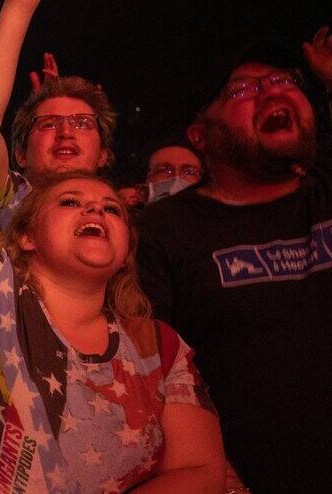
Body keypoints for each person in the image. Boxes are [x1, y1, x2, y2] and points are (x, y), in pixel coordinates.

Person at [0, 0, 226, 491]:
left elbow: (201, 471)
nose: (96, 212)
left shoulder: (157, 347)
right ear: (23, 232)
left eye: (110, 210)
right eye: (70, 204)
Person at [136, 40, 331, 491]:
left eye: (283, 81)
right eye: (242, 91)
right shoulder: (162, 232)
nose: (271, 92)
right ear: (201, 135)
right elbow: (150, 377)